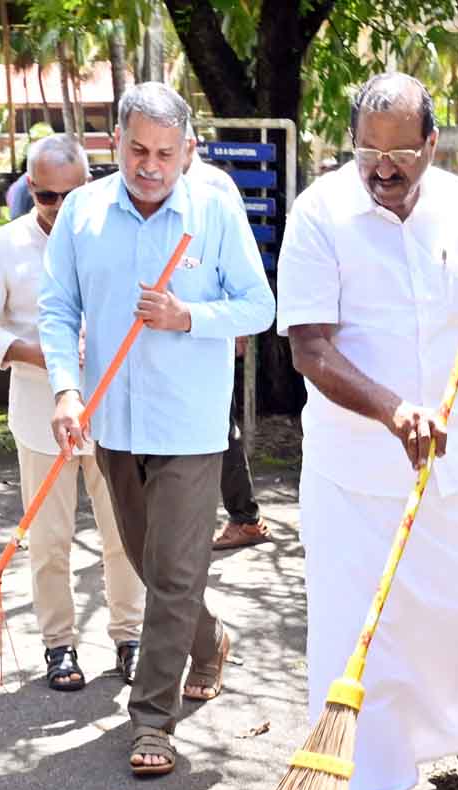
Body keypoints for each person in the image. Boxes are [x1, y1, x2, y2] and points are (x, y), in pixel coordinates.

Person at [276, 72, 458, 790]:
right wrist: (392, 409)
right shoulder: (319, 214)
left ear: (430, 143)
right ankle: (371, 782)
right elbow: (309, 348)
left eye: (399, 153)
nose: (382, 169)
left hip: (451, 461)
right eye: (367, 151)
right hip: (354, 465)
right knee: (362, 627)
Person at [39, 82, 275, 776]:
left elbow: (260, 307)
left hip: (192, 425)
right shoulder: (83, 213)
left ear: (188, 151)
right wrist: (64, 388)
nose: (150, 165)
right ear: (114, 143)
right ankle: (209, 642)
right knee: (149, 562)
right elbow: (57, 310)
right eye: (137, 149)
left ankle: (152, 722)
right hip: (114, 423)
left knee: (172, 572)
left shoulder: (215, 210)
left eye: (165, 153)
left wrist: (188, 317)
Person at [0, 134, 146, 692]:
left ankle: (130, 637)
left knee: (124, 535)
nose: (60, 208)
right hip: (42, 413)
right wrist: (37, 354)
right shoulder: (2, 247)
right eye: (46, 196)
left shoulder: (116, 240)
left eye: (72, 194)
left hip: (111, 413)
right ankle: (58, 645)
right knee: (49, 541)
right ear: (28, 189)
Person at [183, 123, 272, 551]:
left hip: (212, 327)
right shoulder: (161, 187)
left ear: (189, 144)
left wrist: (236, 328)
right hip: (175, 332)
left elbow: (237, 268)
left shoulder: (214, 186)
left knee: (219, 423)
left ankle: (243, 517)